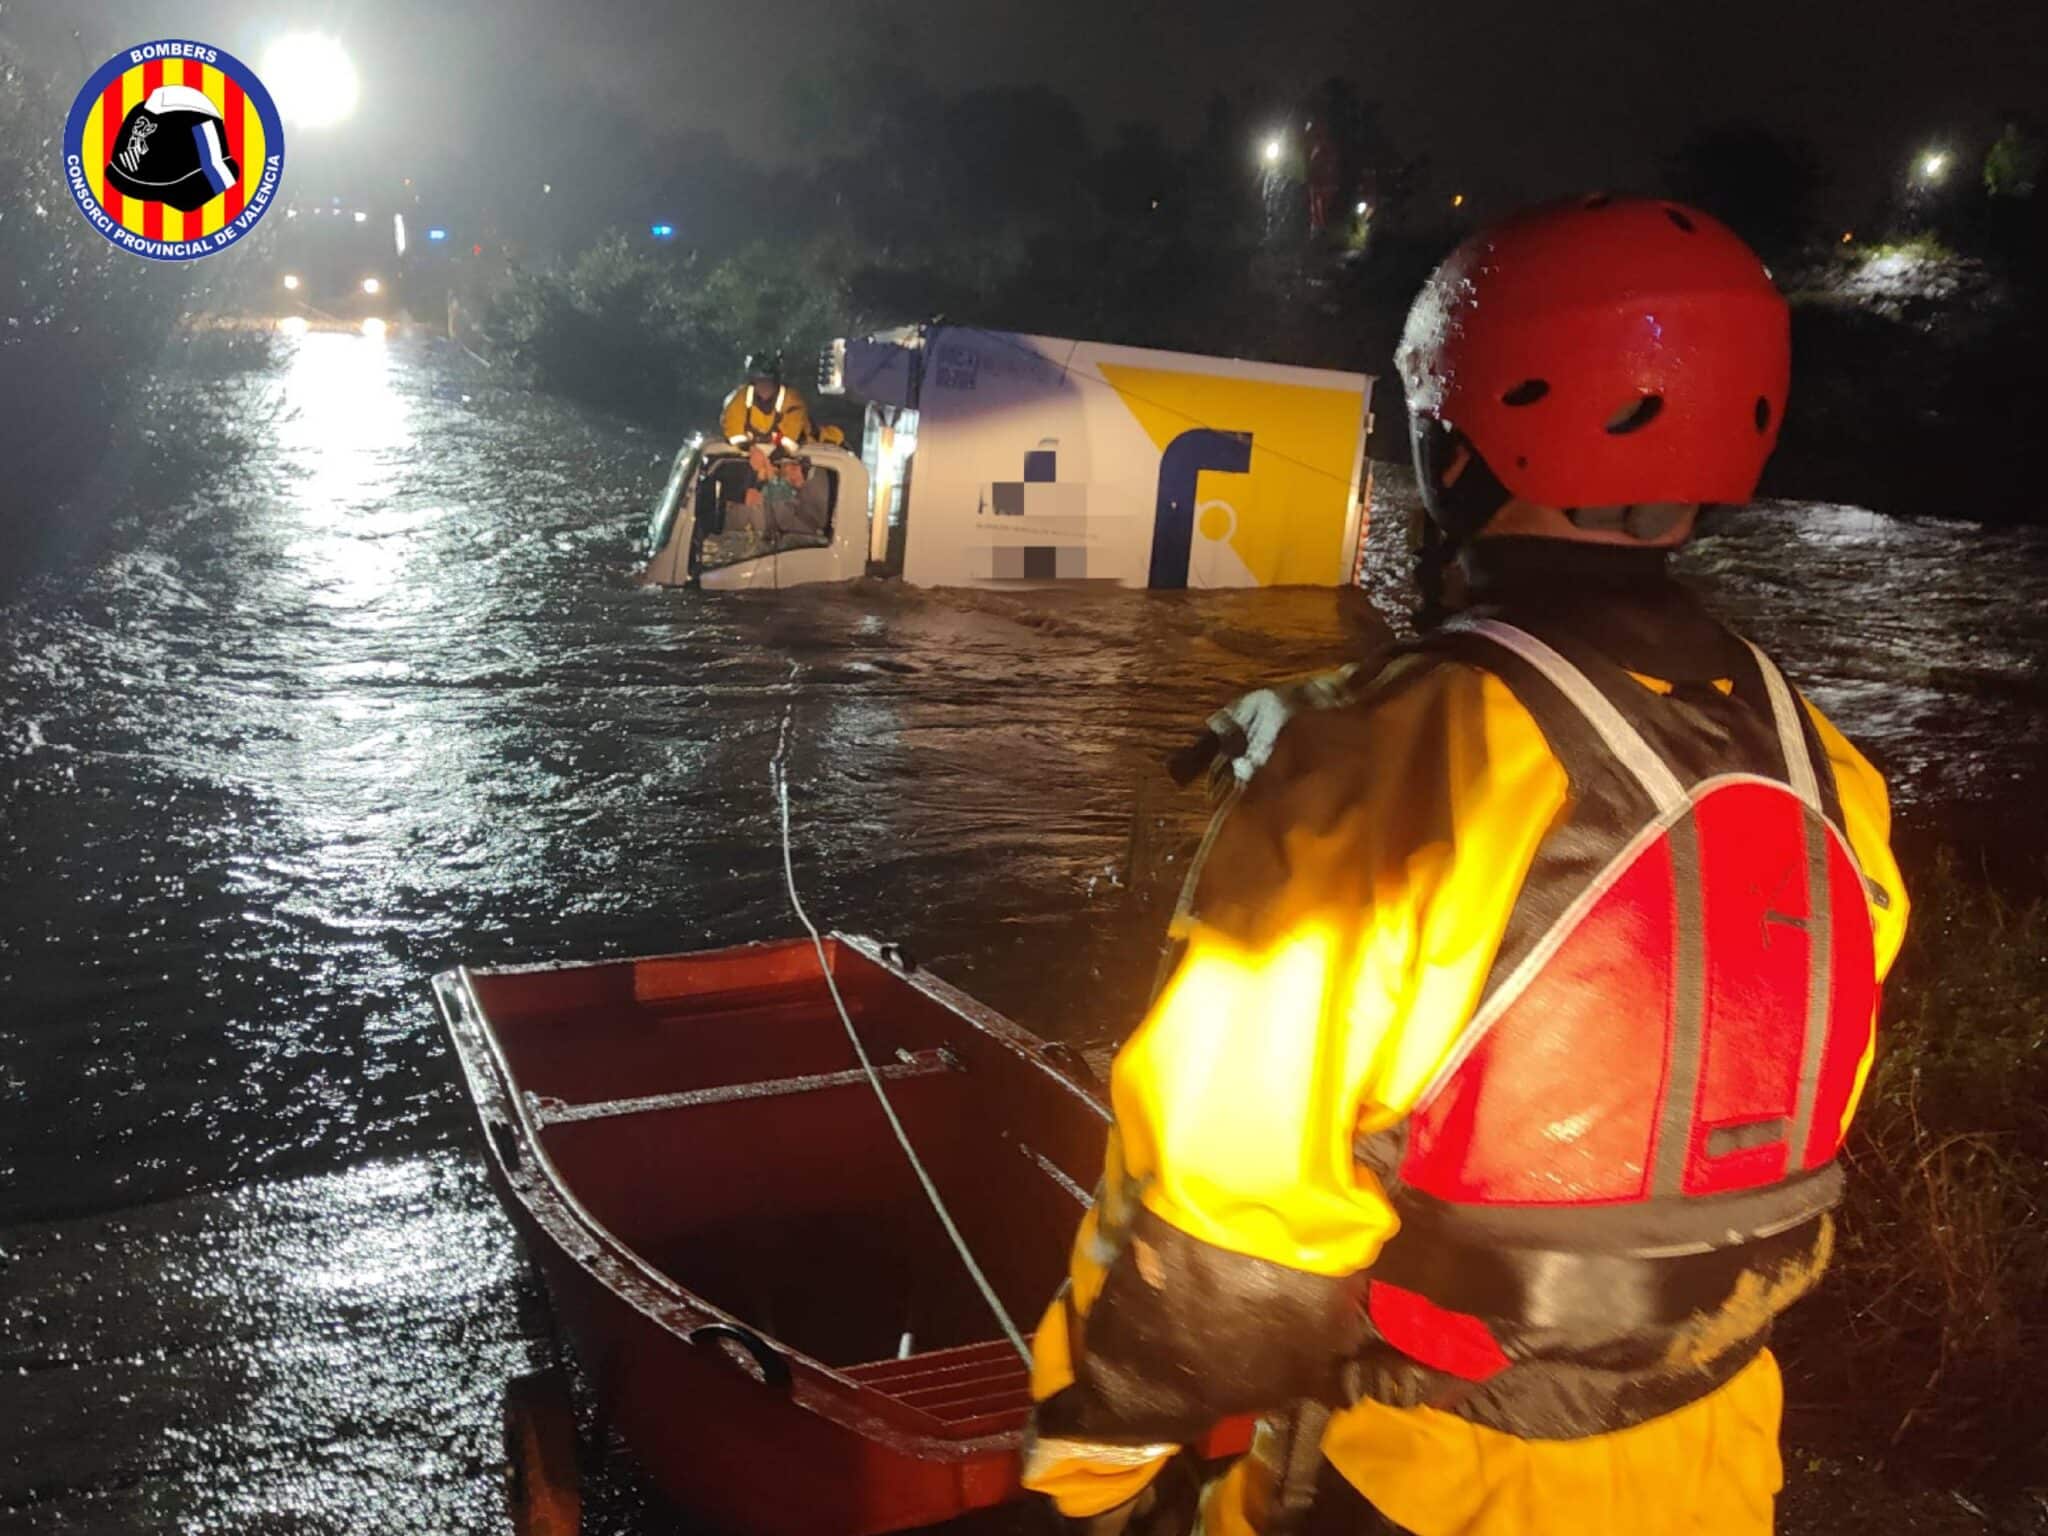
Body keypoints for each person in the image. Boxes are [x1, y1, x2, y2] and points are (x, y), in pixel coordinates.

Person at [1021, 197, 1910, 1536]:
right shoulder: (1829, 769)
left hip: (1418, 1483)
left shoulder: (1371, 763)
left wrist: (1093, 1473)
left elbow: (1226, 1217)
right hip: (1718, 1469)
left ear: (1452, 438)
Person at [719, 348, 810, 455]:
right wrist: (747, 447)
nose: (763, 386)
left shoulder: (791, 400)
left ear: (775, 381)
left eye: (767, 381)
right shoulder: (742, 398)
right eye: (759, 380)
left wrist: (782, 451)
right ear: (753, 380)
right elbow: (733, 427)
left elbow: (793, 433)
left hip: (806, 452)